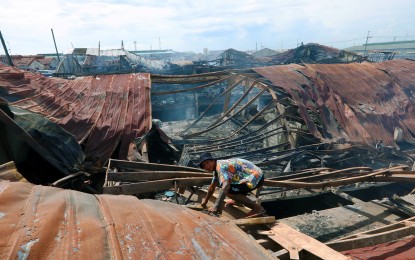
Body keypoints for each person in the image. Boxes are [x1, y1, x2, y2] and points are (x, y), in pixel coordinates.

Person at [199, 152, 265, 216]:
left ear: (213, 160)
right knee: (227, 187)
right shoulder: (216, 169)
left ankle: (257, 208)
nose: (206, 166)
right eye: (204, 165)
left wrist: (216, 206)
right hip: (249, 177)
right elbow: (212, 187)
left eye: (207, 163)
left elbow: (226, 187)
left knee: (228, 190)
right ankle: (238, 202)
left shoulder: (221, 167)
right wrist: (205, 202)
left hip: (256, 177)